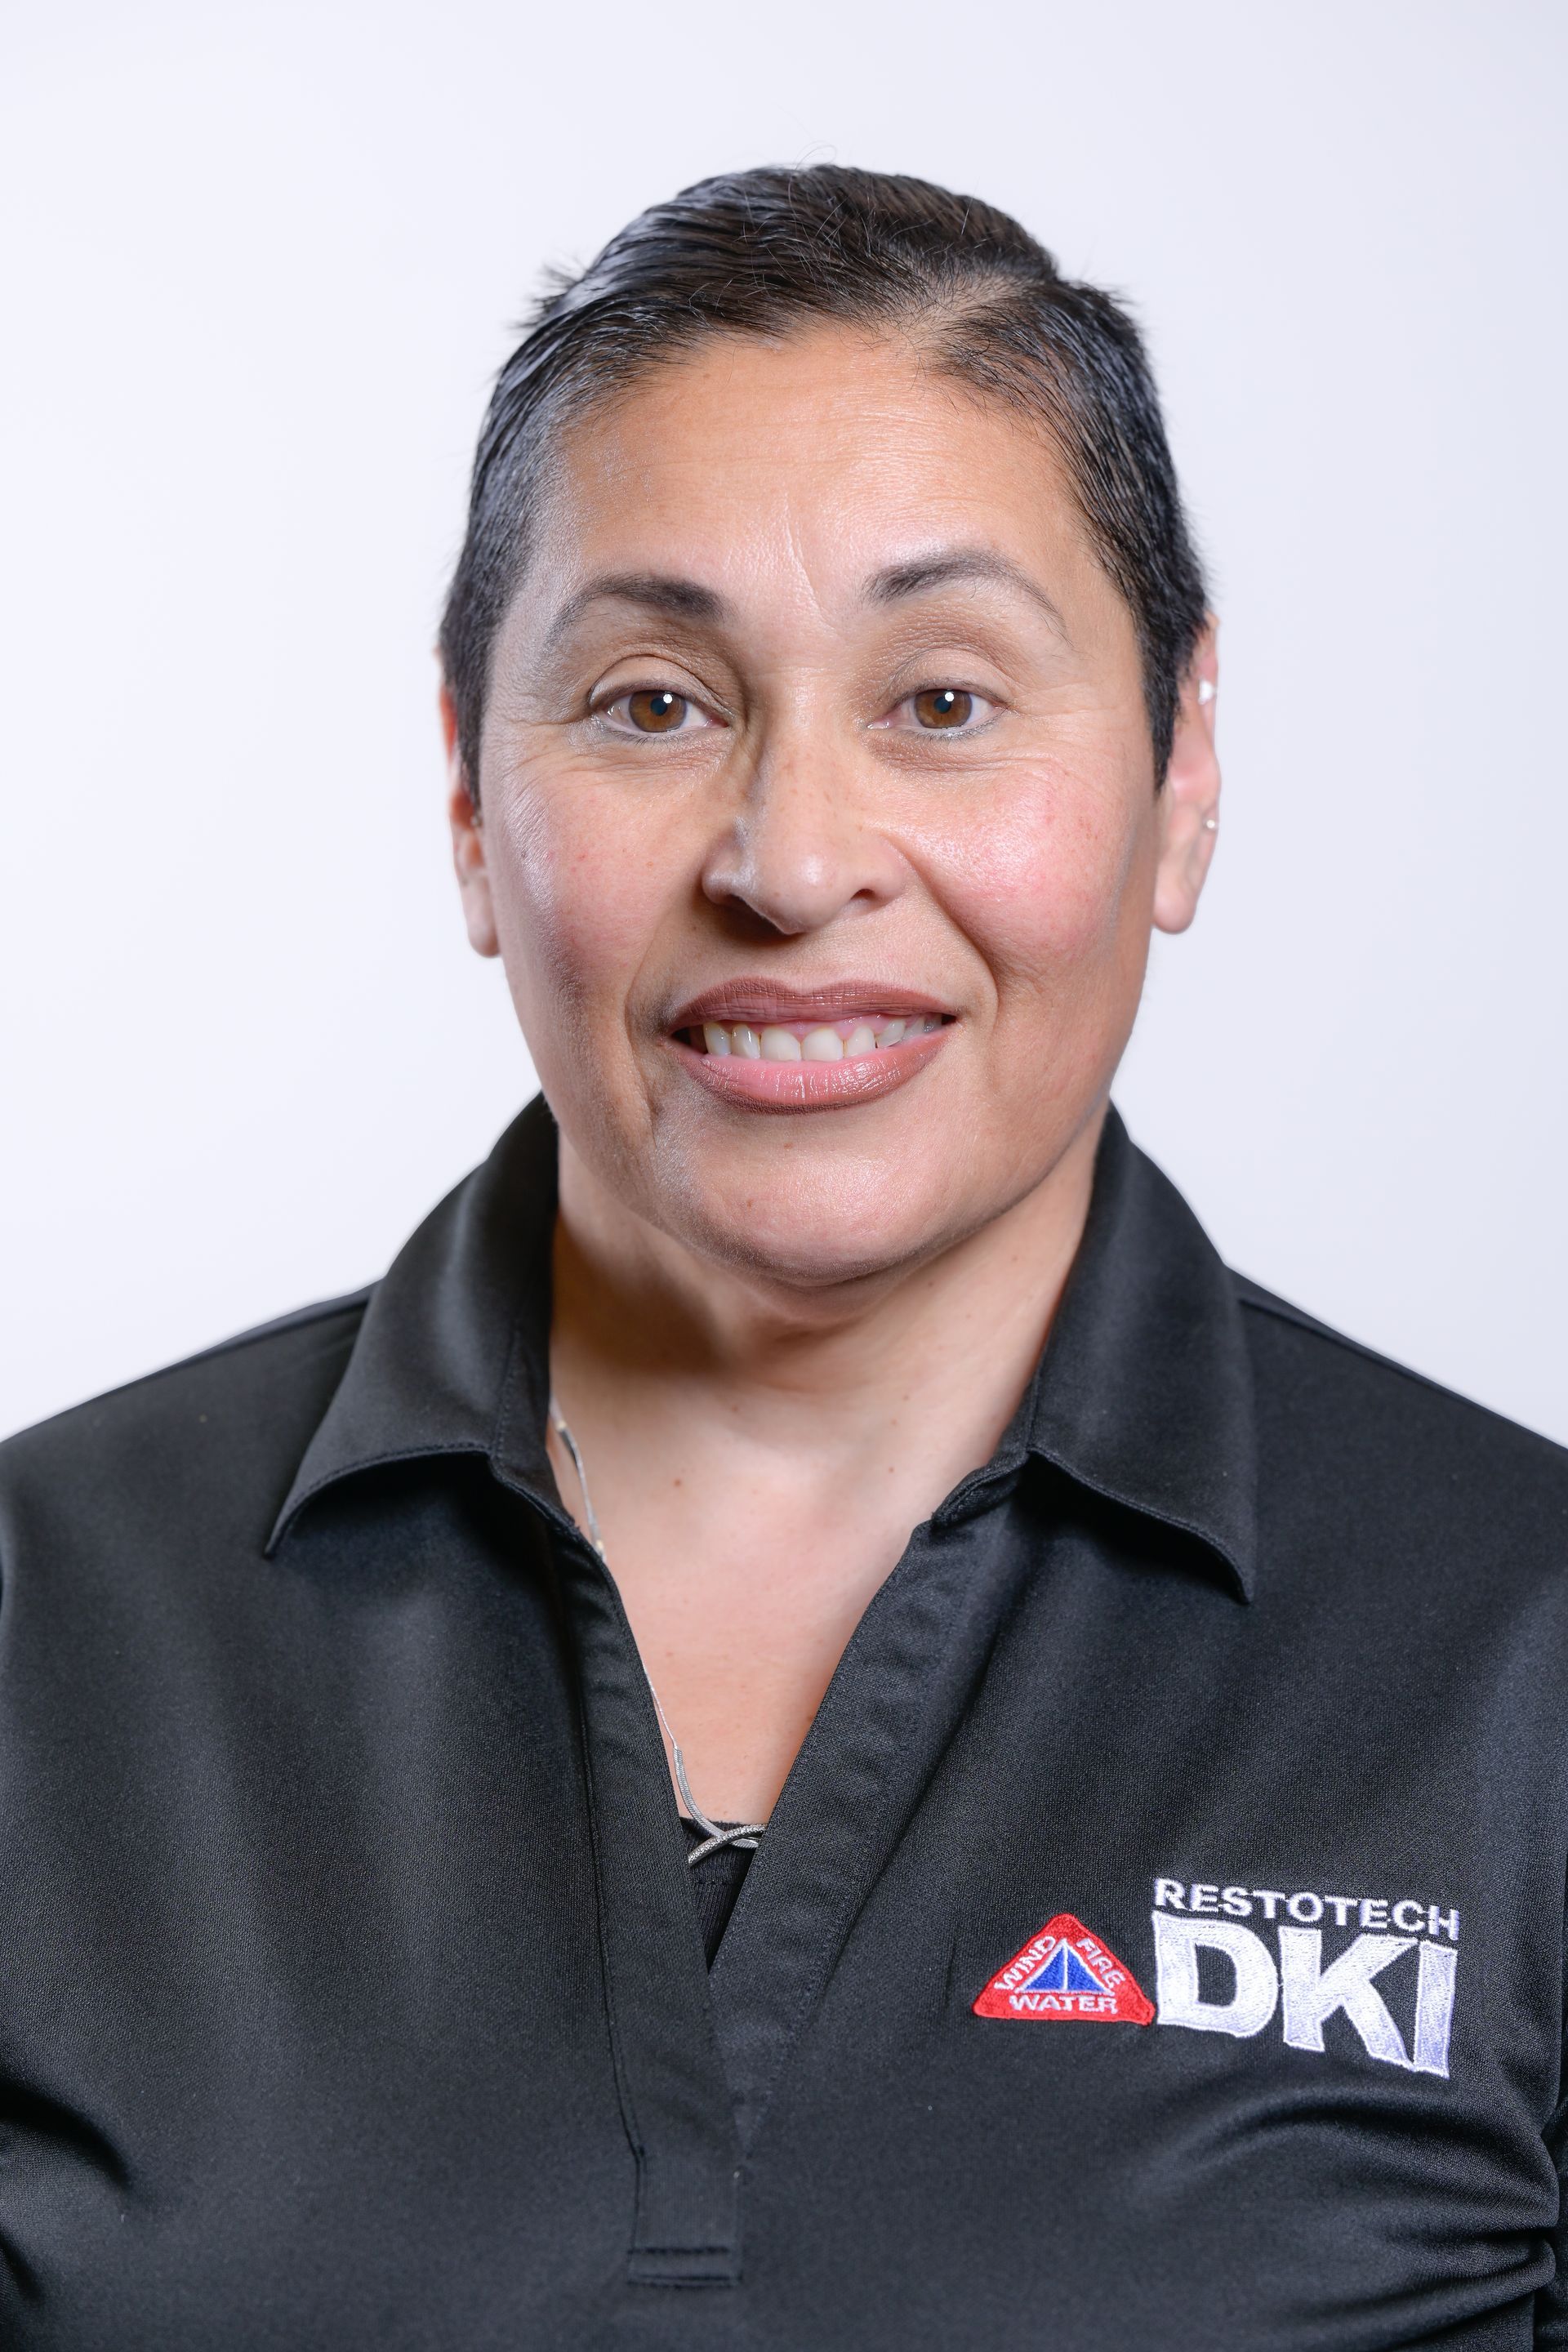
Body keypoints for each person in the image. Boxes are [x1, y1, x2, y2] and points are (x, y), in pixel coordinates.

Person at [2, 164, 1565, 2352]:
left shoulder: (1520, 1653)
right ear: (468, 796)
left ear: (1182, 765)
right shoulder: (44, 1625)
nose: (794, 859)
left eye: (943, 699)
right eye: (653, 700)